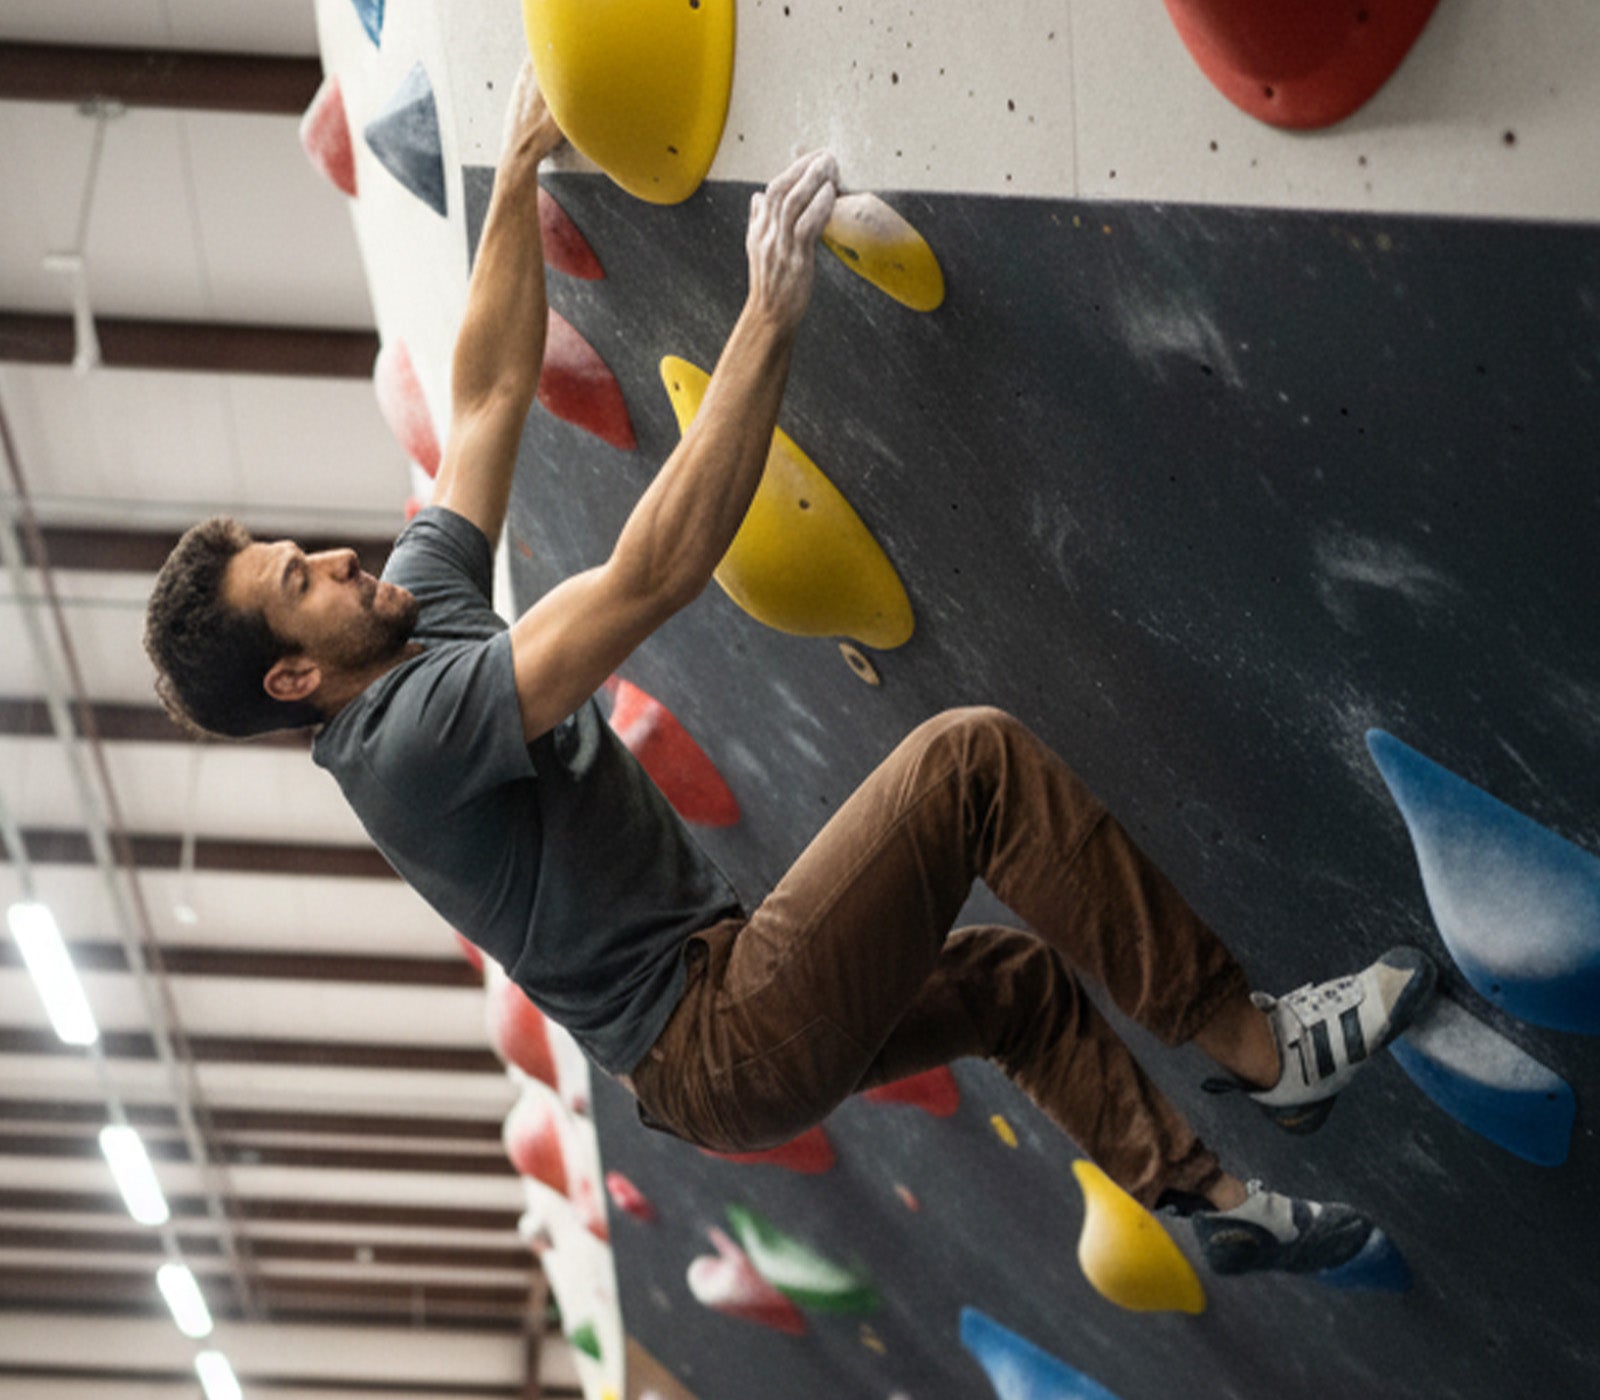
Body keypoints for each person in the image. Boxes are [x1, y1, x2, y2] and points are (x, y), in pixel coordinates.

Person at [142, 68, 1435, 1278]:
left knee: (1014, 987)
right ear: (296, 684)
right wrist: (766, 319)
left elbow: (483, 398)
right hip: (721, 1041)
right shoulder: (401, 748)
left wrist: (519, 165)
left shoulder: (404, 619)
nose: (323, 556)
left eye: (293, 551)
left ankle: (1207, 1205)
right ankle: (1264, 1051)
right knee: (970, 764)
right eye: (293, 583)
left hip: (727, 1004)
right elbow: (650, 576)